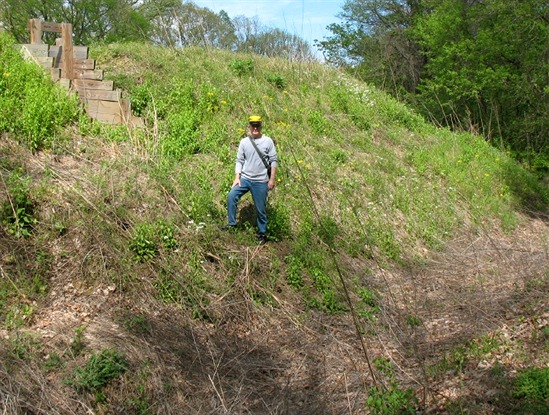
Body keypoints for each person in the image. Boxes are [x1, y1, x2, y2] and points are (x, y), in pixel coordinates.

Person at [223, 115, 278, 244]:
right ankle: (232, 224)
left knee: (260, 208)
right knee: (231, 196)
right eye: (252, 125)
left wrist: (272, 180)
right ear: (249, 126)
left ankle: (262, 233)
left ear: (261, 126)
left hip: (260, 181)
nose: (255, 128)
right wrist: (237, 177)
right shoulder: (244, 142)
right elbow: (239, 160)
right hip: (245, 179)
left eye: (257, 125)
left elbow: (273, 161)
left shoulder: (268, 141)